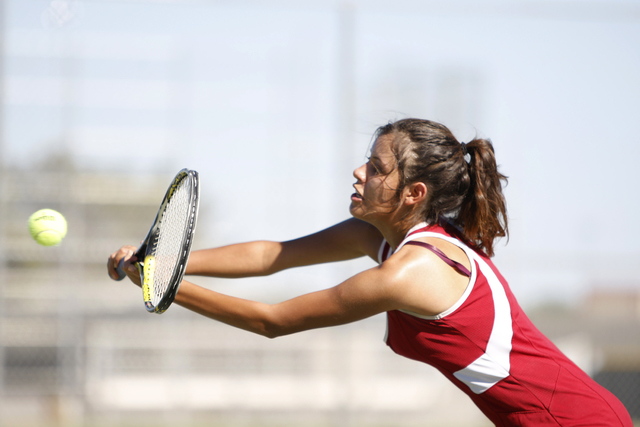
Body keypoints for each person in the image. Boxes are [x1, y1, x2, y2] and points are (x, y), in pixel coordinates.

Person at [108, 118, 632, 426]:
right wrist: (163, 255)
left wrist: (164, 284)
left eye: (378, 168)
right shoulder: (385, 238)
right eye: (367, 160)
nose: (360, 172)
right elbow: (275, 254)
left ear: (414, 194)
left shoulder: (411, 271)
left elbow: (272, 320)